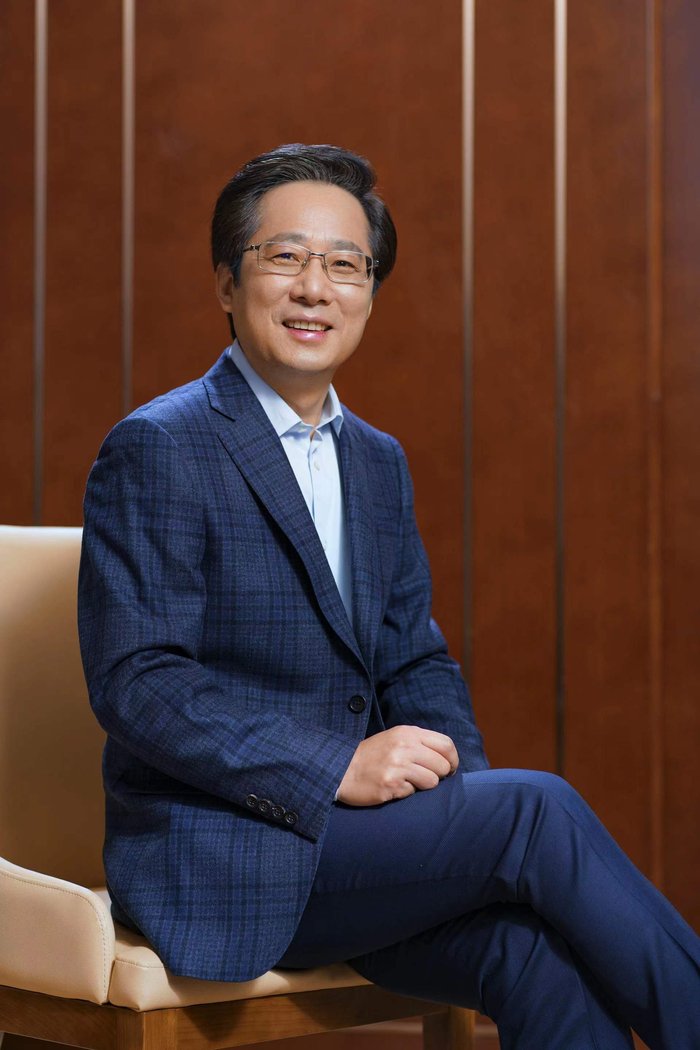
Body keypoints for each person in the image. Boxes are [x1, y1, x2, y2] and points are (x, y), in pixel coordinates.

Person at [78, 143, 700, 1050]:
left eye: (345, 264)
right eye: (284, 257)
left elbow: (415, 662)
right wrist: (336, 767)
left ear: (369, 293)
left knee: (534, 953)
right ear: (226, 282)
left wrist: (458, 818)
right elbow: (138, 682)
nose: (314, 288)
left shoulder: (378, 461)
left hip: (364, 851)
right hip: (223, 856)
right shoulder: (159, 446)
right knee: (536, 811)